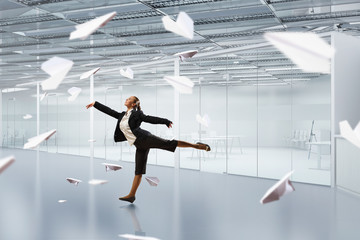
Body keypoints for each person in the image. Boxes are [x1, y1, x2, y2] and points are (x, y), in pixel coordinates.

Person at [86, 96, 210, 203]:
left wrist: (165, 121)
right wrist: (95, 104)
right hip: (138, 144)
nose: (126, 99)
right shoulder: (122, 115)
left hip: (145, 138)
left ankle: (197, 146)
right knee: (139, 171)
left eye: (129, 99)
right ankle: (131, 196)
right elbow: (109, 111)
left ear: (133, 104)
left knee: (169, 143)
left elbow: (150, 119)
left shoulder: (137, 114)